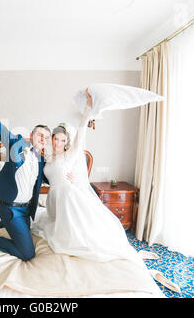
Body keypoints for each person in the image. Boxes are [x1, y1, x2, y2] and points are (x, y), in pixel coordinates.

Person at [30, 88, 145, 266]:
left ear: (67, 141)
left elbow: (81, 131)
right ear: (51, 139)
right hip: (54, 199)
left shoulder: (70, 155)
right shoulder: (47, 158)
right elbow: (45, 175)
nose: (58, 143)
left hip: (68, 196)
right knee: (53, 226)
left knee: (77, 233)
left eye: (62, 140)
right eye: (55, 139)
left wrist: (88, 109)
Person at [0, 89, 52, 261]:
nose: (43, 139)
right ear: (31, 136)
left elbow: (51, 180)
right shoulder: (17, 146)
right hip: (10, 209)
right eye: (40, 135)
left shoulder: (42, 160)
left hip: (26, 210)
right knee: (27, 254)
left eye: (47, 137)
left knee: (22, 237)